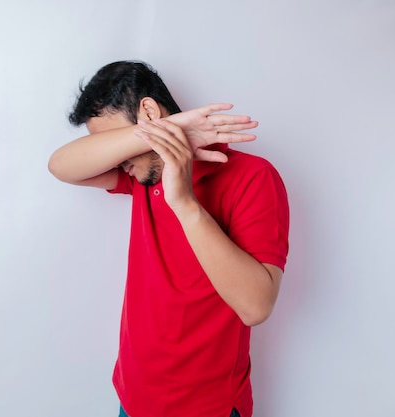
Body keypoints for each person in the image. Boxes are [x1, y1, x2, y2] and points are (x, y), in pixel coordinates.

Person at [48, 61, 289, 417]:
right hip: (133, 400)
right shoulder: (142, 175)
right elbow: (60, 165)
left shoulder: (253, 177)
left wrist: (185, 204)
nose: (117, 157)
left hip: (209, 408)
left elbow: (255, 307)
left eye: (112, 139)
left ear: (147, 110)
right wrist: (165, 133)